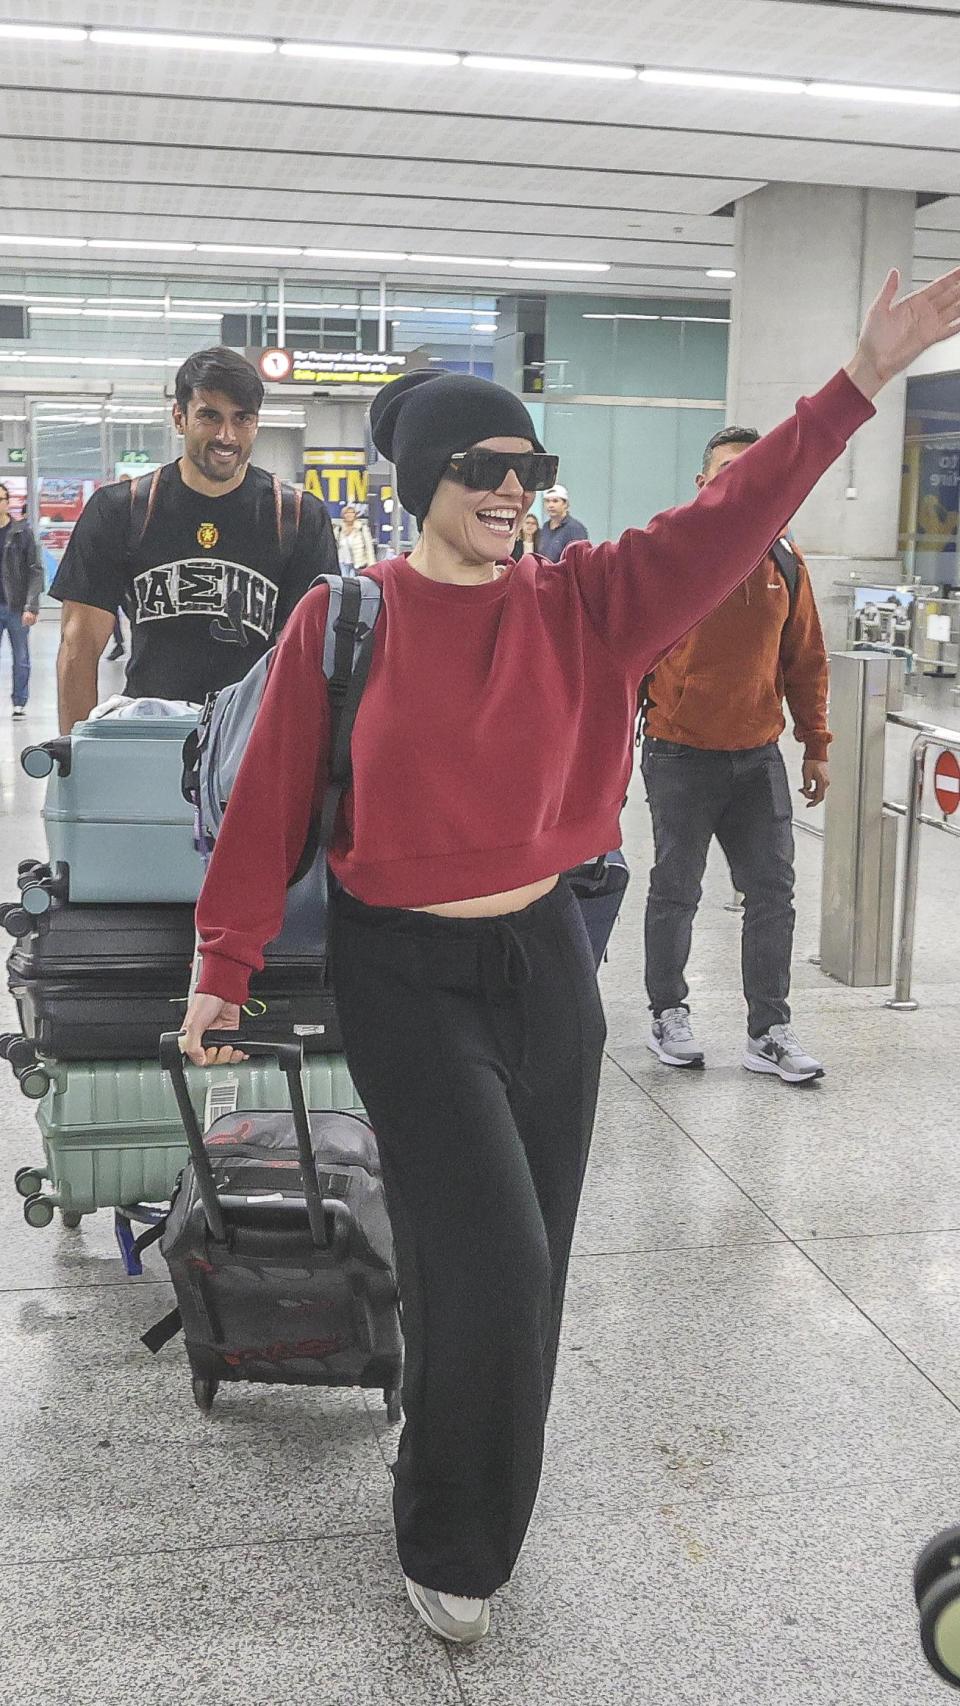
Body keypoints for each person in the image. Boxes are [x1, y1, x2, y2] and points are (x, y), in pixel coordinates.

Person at [178, 266, 960, 1648]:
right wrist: (219, 965)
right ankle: (454, 1539)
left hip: (547, 955)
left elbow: (734, 514)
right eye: (482, 467)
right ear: (424, 479)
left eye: (528, 467)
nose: (512, 487)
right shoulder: (347, 620)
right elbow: (269, 799)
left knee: (512, 1244)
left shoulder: (585, 602)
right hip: (401, 968)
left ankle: (448, 1418)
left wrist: (860, 377)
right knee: (500, 1260)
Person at [641, 425, 834, 1085]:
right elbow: (627, 649)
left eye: (752, 469)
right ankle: (668, 1012)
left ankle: (768, 1032)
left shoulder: (785, 560)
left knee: (773, 894)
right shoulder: (669, 551)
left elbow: (805, 658)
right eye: (727, 468)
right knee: (675, 890)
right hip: (679, 752)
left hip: (758, 757)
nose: (739, 478)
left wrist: (815, 744)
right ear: (704, 482)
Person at [50, 346, 338, 732]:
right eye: (209, 416)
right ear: (179, 417)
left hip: (252, 740)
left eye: (242, 419)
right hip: (150, 734)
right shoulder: (121, 510)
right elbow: (78, 648)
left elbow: (313, 658)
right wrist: (75, 756)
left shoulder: (299, 517)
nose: (226, 435)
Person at [0, 480, 43, 719]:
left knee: (21, 657)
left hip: (15, 606)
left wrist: (31, 605)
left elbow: (35, 569)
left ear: (8, 503)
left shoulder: (21, 533)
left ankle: (19, 701)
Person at [537, 483, 588, 562]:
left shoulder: (575, 529)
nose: (550, 505)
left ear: (565, 504)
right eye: (547, 501)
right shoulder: (545, 527)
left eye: (555, 501)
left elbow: (579, 561)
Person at [336, 503, 376, 574]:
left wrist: (372, 566)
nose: (349, 515)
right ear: (343, 515)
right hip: (341, 563)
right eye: (347, 513)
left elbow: (369, 548)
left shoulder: (362, 528)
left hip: (357, 564)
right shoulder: (339, 529)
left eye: (352, 513)